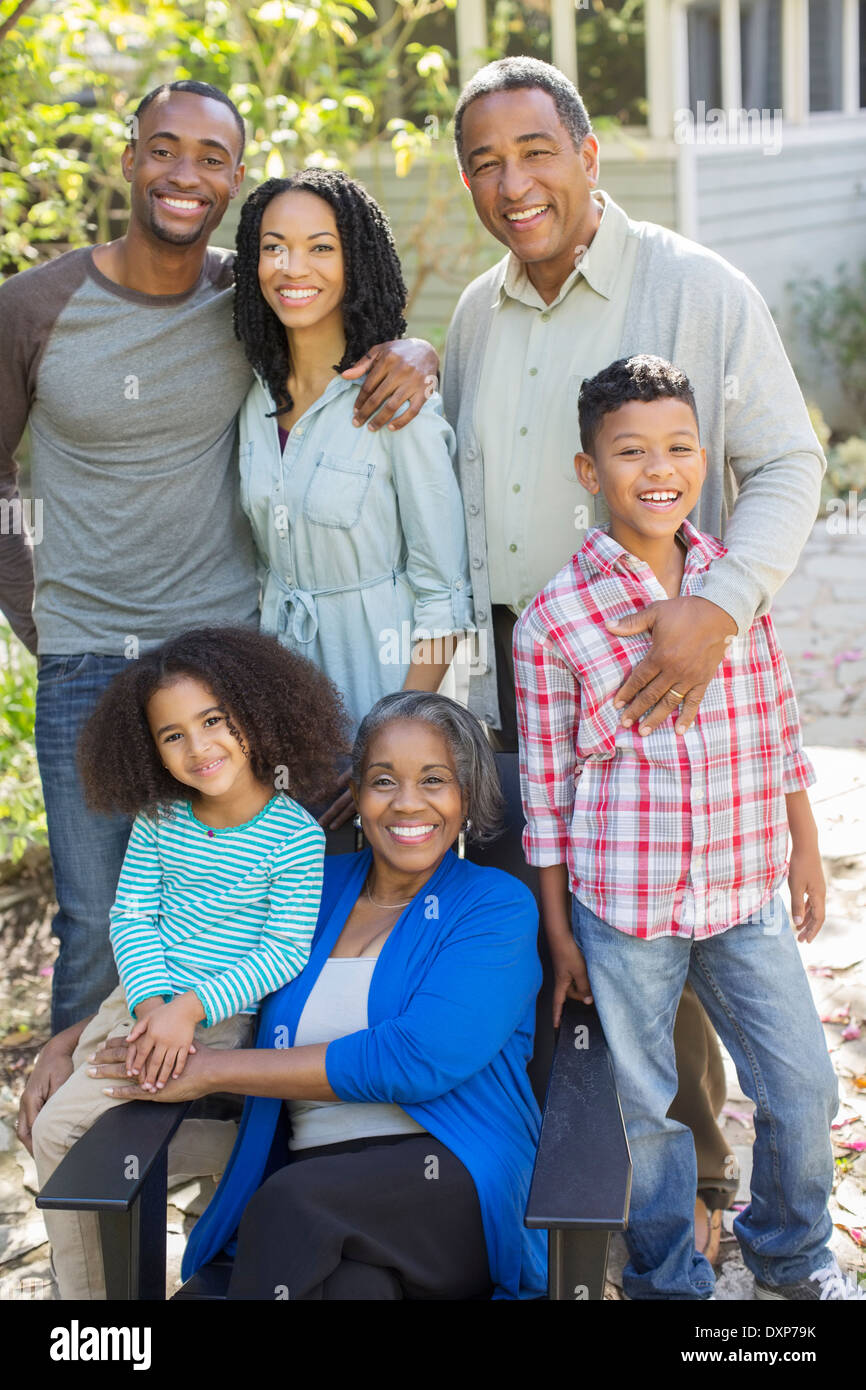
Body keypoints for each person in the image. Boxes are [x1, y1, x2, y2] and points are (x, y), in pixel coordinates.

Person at [440, 54, 825, 1240]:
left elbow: (788, 462)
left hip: (665, 647)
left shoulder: (693, 285)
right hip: (518, 659)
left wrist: (718, 606)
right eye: (484, 164)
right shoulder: (469, 312)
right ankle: (574, 1202)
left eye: (534, 152)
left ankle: (710, 1197)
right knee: (575, 940)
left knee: (684, 932)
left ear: (588, 153)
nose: (513, 184)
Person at [0, 79, 438, 1034]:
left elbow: (337, 305)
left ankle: (235, 1152)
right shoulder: (34, 307)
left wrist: (418, 349)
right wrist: (40, 616)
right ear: (129, 160)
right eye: (164, 149)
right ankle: (94, 1176)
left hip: (232, 664)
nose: (184, 174)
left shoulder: (249, 291)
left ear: (233, 175)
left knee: (260, 916)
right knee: (98, 922)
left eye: (210, 158)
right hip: (89, 669)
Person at [514, 355, 859, 1301]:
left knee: (800, 1088)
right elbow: (545, 792)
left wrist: (804, 844)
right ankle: (670, 1280)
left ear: (704, 459)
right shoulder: (554, 622)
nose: (658, 468)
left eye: (678, 447)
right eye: (630, 451)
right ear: (591, 473)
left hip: (745, 885)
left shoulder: (732, 587)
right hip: (626, 909)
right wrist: (559, 930)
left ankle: (791, 1252)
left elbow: (777, 718)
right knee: (645, 1111)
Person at [87, 692, 547, 1300]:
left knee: (292, 1204)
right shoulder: (310, 885)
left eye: (434, 780)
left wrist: (209, 1071)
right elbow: (192, 959)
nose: (408, 802)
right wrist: (73, 1040)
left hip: (450, 1176)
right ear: (356, 796)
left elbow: (416, 1058)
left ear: (467, 797)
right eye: (384, 781)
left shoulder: (494, 907)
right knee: (353, 1288)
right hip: (321, 1189)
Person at [29, 625, 348, 1300]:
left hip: (221, 1018)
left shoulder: (292, 835)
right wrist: (151, 1008)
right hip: (143, 1004)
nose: (199, 747)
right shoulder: (161, 820)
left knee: (61, 1129)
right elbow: (132, 917)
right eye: (173, 735)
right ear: (150, 749)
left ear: (256, 715)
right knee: (65, 1125)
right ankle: (97, 1289)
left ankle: (87, 1306)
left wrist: (189, 1011)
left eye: (213, 721)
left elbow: (281, 950)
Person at [233, 171, 474, 827]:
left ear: (355, 260)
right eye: (274, 247)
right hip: (283, 710)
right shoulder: (252, 397)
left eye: (320, 247)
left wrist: (387, 744)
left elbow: (444, 599)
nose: (292, 268)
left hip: (386, 687)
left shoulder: (398, 399)